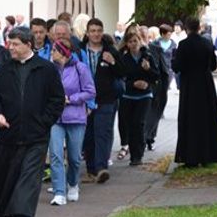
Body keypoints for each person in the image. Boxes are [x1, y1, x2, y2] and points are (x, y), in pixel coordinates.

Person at [0, 26, 65, 217]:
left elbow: (57, 100)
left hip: (36, 134)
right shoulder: (3, 70)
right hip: (10, 133)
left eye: (15, 44)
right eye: (9, 43)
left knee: (30, 175)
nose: (10, 48)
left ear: (28, 45)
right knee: (10, 174)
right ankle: (14, 215)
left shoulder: (46, 69)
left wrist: (44, 121)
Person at [171, 18, 217, 167]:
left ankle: (190, 157)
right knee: (207, 119)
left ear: (187, 28)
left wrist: (174, 59)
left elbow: (177, 66)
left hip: (189, 86)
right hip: (205, 85)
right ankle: (208, 156)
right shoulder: (207, 44)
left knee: (189, 119)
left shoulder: (183, 45)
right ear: (199, 28)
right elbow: (214, 65)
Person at [47, 39, 95, 206]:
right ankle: (59, 191)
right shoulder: (50, 69)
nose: (51, 53)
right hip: (55, 118)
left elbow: (90, 91)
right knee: (55, 155)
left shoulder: (80, 68)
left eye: (54, 50)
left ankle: (73, 183)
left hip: (75, 117)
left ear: (63, 53)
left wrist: (72, 99)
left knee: (74, 158)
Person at [81, 19, 123, 182]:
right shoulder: (80, 51)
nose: (96, 34)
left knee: (102, 133)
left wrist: (112, 62)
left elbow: (122, 72)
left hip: (105, 99)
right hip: (85, 100)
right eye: (93, 31)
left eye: (99, 30)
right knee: (89, 135)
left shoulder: (111, 50)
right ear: (87, 33)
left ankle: (101, 168)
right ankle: (91, 169)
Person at [117, 27, 158, 166]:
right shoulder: (124, 59)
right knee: (130, 125)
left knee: (139, 124)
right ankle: (132, 152)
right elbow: (120, 78)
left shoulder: (147, 57)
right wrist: (133, 84)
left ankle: (137, 156)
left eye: (136, 41)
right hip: (128, 96)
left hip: (144, 96)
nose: (134, 44)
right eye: (131, 42)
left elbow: (156, 76)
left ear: (140, 42)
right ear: (127, 44)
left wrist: (148, 71)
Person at [143, 25, 173, 151]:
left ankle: (149, 138)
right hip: (139, 88)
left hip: (156, 86)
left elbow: (164, 70)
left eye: (146, 36)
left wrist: (164, 89)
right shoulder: (132, 49)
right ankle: (144, 137)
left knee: (153, 112)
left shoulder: (156, 49)